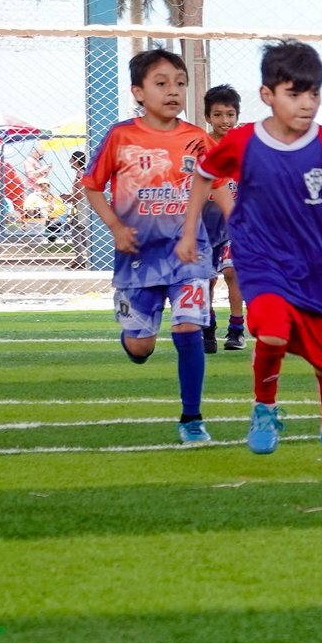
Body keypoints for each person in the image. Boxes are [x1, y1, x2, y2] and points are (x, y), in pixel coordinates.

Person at [176, 40, 322, 474]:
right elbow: (206, 177)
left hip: (318, 271)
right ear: (268, 95)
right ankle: (264, 407)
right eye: (294, 94)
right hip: (261, 260)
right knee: (274, 334)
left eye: (313, 94)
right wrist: (189, 231)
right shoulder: (244, 142)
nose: (306, 104)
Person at [81, 48, 215, 444]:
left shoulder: (198, 139)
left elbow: (220, 182)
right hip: (137, 254)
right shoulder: (121, 136)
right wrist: (116, 227)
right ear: (138, 92)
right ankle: (134, 336)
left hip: (188, 250)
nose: (172, 91)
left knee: (189, 326)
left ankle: (192, 419)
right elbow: (91, 186)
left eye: (179, 83)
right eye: (161, 83)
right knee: (140, 347)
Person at [201, 84, 245, 351]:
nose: (224, 121)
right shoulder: (198, 145)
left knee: (232, 271)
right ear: (207, 117)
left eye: (229, 114)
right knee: (206, 277)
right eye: (218, 115)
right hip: (204, 222)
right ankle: (208, 325)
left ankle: (236, 328)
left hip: (235, 221)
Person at [65, 150, 90, 269]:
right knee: (79, 233)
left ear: (76, 161)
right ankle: (81, 259)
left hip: (81, 206)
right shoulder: (81, 173)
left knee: (80, 233)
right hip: (80, 206)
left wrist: (67, 197)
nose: (70, 161)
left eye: (72, 159)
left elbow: (80, 194)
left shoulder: (81, 174)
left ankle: (81, 259)